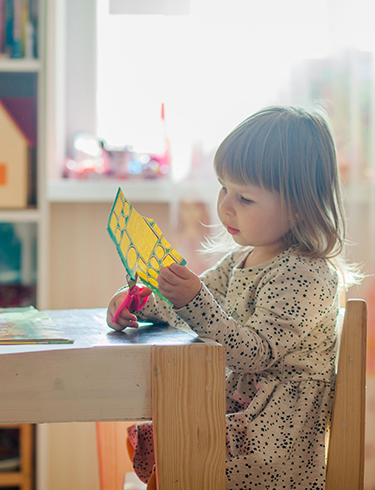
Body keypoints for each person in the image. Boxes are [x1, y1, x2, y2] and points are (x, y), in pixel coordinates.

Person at [107, 105, 360, 489]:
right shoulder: (240, 259)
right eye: (224, 187)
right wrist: (142, 303)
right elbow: (192, 309)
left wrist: (192, 300)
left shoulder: (306, 273)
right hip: (241, 413)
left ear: (297, 207)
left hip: (273, 441)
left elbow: (253, 351)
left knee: (181, 452)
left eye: (245, 198)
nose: (225, 205)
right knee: (169, 437)